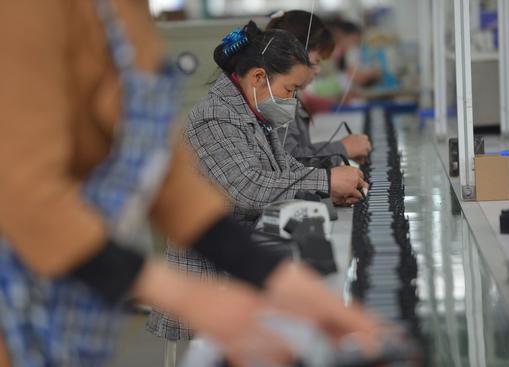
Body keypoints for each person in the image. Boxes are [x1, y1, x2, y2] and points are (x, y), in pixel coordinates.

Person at [0, 2, 385, 367]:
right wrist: (183, 293)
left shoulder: (128, 16)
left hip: (71, 293)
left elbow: (164, 171)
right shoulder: (32, 10)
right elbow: (22, 193)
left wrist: (274, 275)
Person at [147, 21, 370, 342]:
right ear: (258, 78)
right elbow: (248, 188)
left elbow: (285, 170)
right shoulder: (216, 118)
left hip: (242, 259)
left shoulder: (252, 113)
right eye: (290, 90)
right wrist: (325, 179)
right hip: (210, 279)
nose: (292, 100)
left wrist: (329, 191)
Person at [266, 10, 372, 165]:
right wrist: (342, 148)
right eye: (315, 62)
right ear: (292, 56)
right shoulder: (276, 99)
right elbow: (291, 161)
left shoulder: (288, 95)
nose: (318, 70)